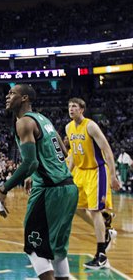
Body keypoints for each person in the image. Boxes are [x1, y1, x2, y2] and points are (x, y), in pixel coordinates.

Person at [0, 84, 78, 280]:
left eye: (12, 93)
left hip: (50, 191)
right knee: (57, 249)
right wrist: (34, 175)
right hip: (68, 187)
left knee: (34, 246)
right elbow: (63, 152)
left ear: (24, 98)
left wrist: (4, 188)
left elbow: (31, 162)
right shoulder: (44, 120)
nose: (7, 97)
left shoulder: (24, 122)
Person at [65, 97, 121, 269]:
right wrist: (68, 172)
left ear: (82, 109)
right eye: (69, 106)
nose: (71, 109)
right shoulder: (68, 127)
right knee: (74, 207)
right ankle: (106, 230)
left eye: (74, 106)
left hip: (96, 171)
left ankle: (101, 255)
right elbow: (74, 152)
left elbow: (106, 149)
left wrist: (113, 175)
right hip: (80, 172)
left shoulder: (90, 125)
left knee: (94, 210)